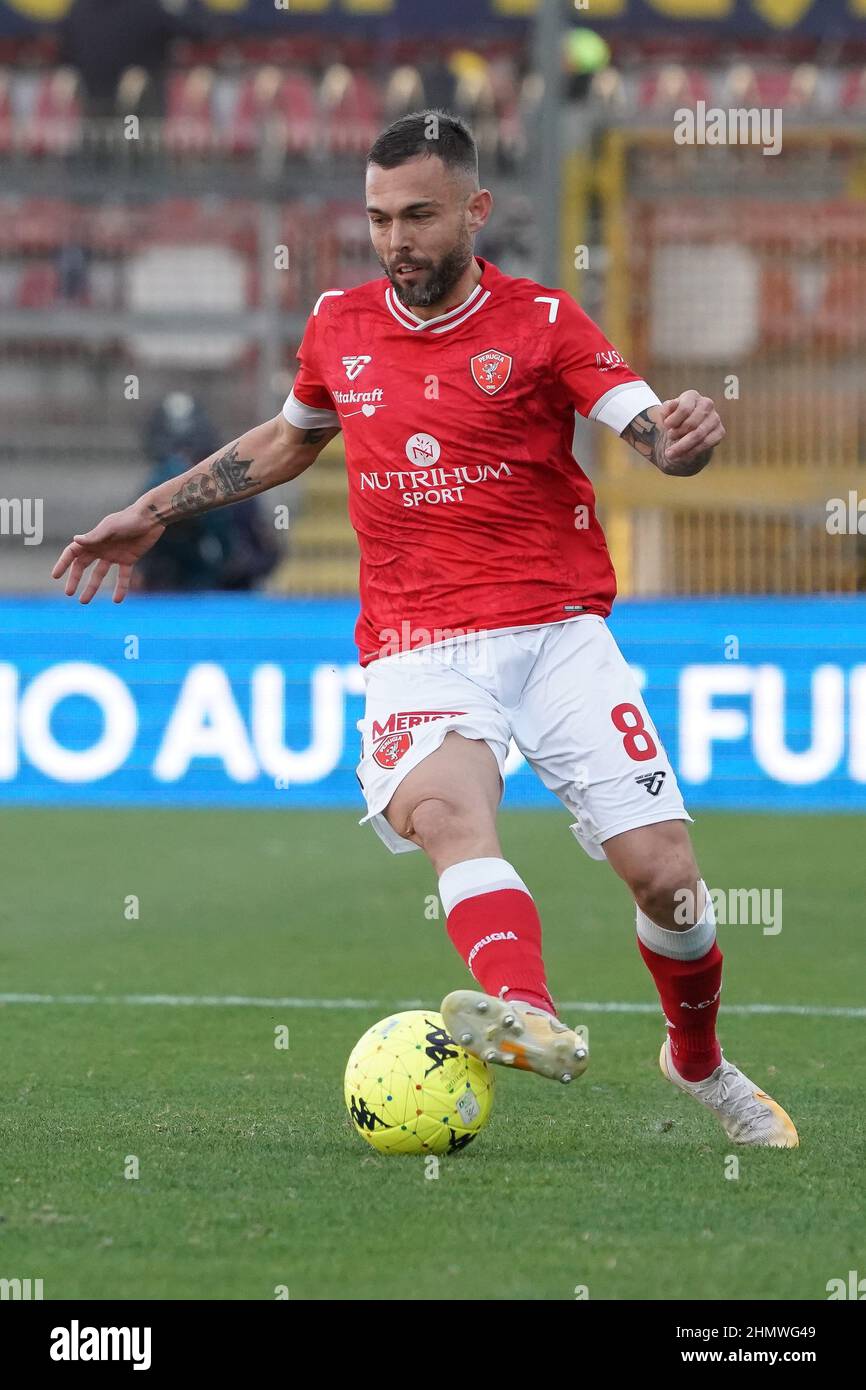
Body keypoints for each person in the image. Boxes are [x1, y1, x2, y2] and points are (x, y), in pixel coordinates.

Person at [52, 111, 796, 1148]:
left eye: (417, 216)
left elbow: (645, 429)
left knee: (665, 877)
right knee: (449, 813)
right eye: (377, 219)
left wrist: (678, 440)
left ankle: (696, 1059)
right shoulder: (338, 325)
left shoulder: (542, 322)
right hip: (417, 643)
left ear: (474, 211)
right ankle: (522, 1007)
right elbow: (286, 438)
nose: (396, 240)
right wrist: (157, 508)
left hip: (555, 632)